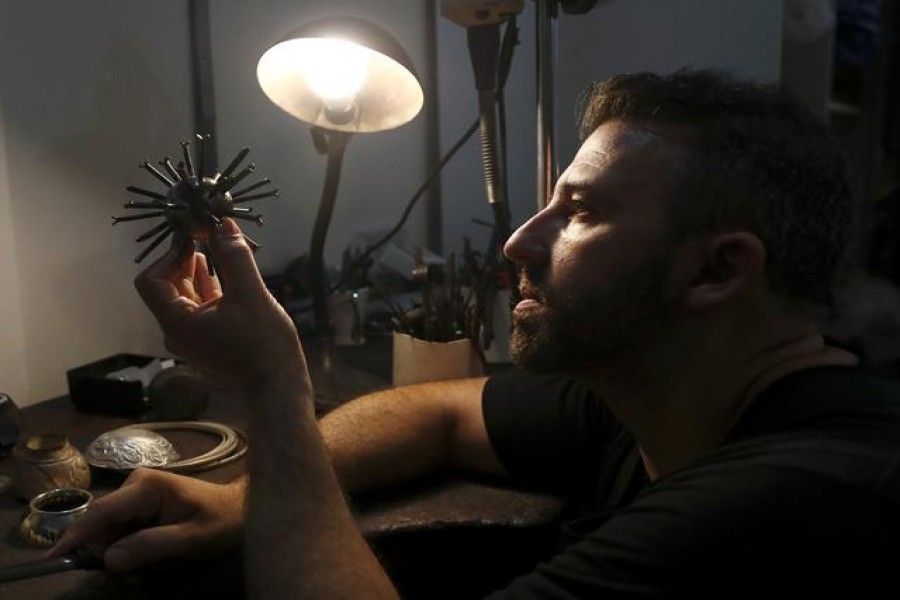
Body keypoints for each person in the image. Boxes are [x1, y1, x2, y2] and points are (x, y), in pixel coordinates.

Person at [50, 69, 900, 596]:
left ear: (717, 271)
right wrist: (244, 500)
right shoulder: (671, 387)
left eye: (580, 212)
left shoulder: (796, 501)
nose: (521, 241)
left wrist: (276, 390)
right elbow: (441, 414)